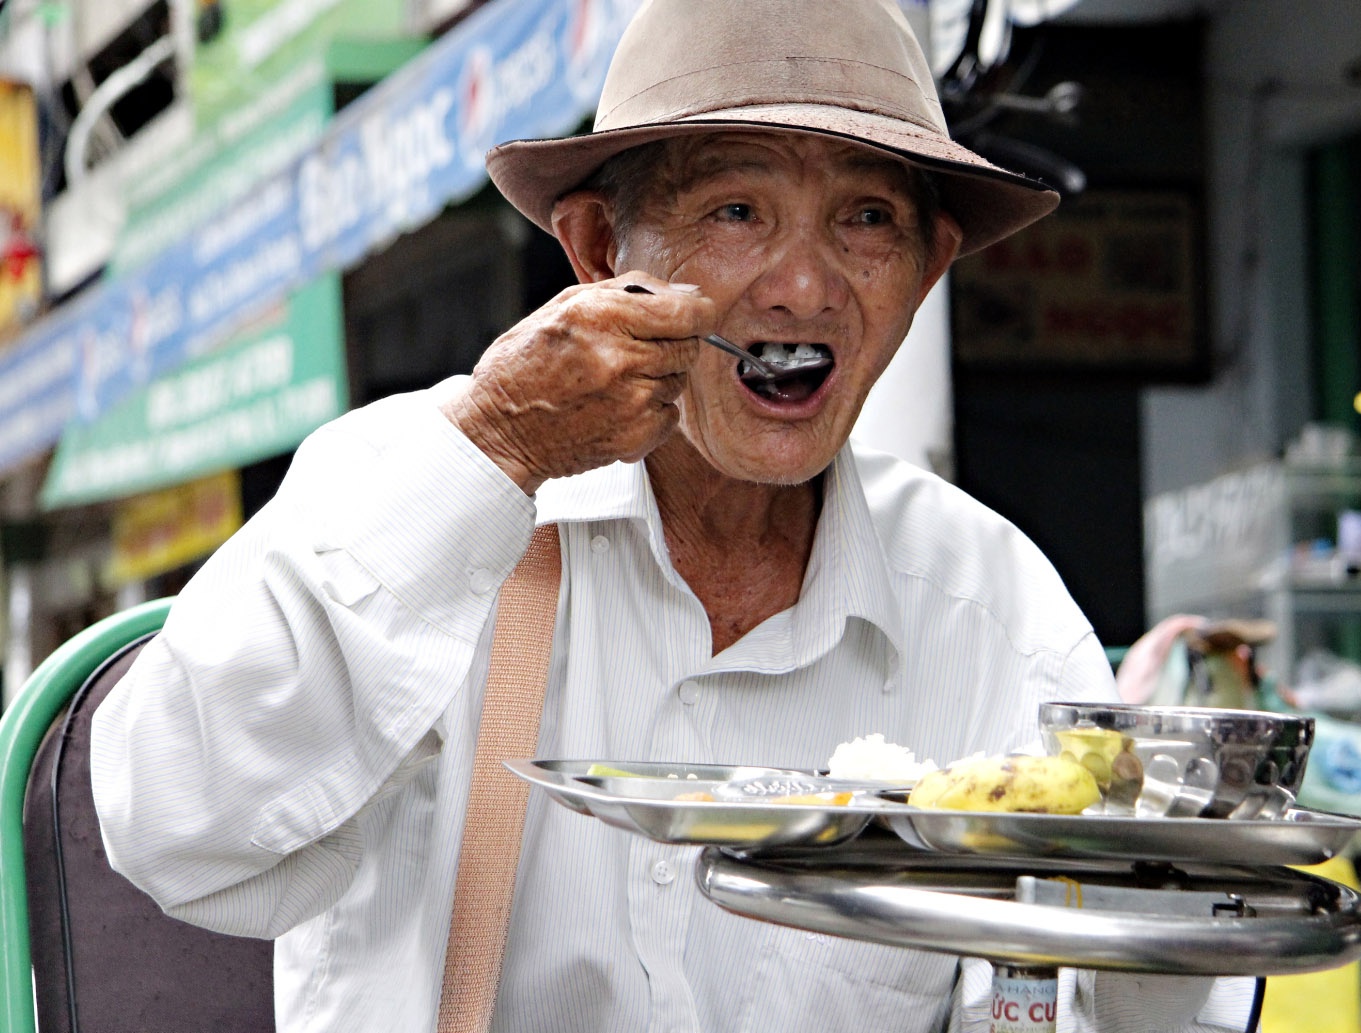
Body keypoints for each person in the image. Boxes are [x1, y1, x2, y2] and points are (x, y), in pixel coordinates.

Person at [93, 0, 1256, 1030]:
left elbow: (1116, 992)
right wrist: (498, 447)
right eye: (737, 209)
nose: (804, 283)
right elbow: (176, 827)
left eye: (863, 222)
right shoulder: (421, 487)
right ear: (602, 250)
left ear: (928, 265)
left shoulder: (989, 602)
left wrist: (1171, 884)